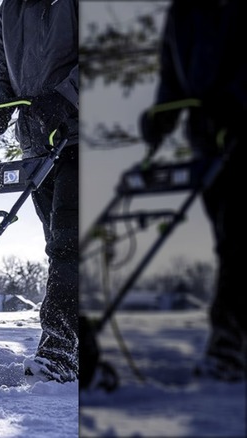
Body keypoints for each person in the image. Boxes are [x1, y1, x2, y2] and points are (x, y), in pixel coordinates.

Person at [0, 0, 79, 383]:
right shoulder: (10, 8)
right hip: (39, 146)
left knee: (71, 245)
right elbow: (2, 71)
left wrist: (67, 98)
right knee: (61, 250)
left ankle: (59, 352)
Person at [138, 0, 246, 382]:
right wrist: (161, 115)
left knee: (237, 243)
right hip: (209, 140)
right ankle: (231, 345)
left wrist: (235, 103)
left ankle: (229, 346)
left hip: (237, 129)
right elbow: (172, 72)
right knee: (230, 244)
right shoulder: (184, 11)